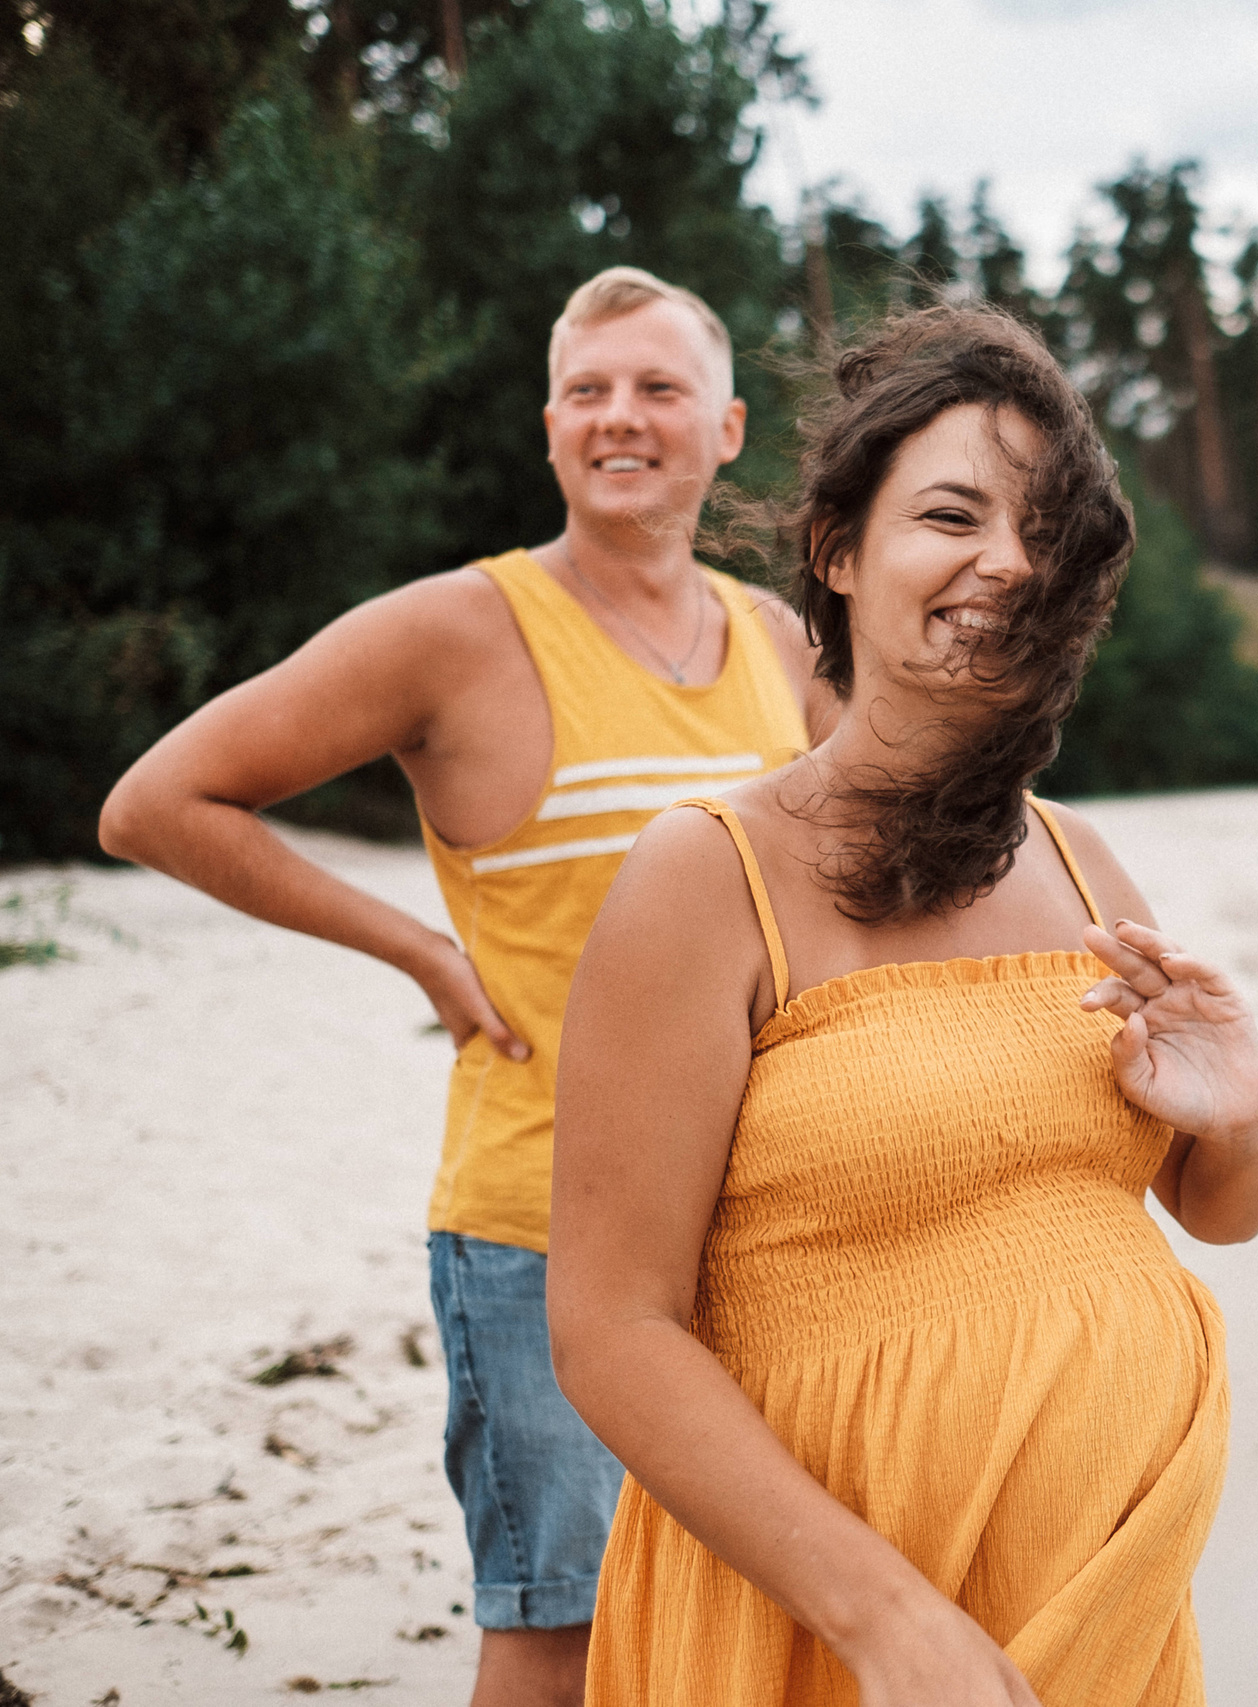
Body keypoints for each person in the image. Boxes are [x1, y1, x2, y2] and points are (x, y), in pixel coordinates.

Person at [98, 266, 836, 1707]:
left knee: (732, 1620)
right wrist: (420, 946)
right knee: (564, 1630)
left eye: (658, 388)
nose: (620, 418)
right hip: (539, 1230)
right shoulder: (458, 630)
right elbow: (158, 802)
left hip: (765, 1226)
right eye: (588, 391)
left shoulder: (781, 642)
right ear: (549, 426)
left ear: (730, 428)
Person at [546, 304, 1258, 1706]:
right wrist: (890, 1625)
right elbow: (611, 1330)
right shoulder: (707, 877)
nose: (1006, 562)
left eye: (1042, 532)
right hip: (840, 1634)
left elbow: (1221, 1208)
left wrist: (1244, 1124)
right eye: (950, 514)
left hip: (1107, 1614)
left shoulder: (1083, 861)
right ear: (839, 551)